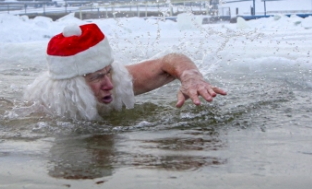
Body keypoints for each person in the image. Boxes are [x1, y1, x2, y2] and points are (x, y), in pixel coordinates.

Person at [24, 23, 227, 120]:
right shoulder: (44, 112)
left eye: (108, 72)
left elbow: (169, 61)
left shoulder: (117, 82)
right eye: (96, 78)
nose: (109, 85)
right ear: (73, 86)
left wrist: (190, 77)